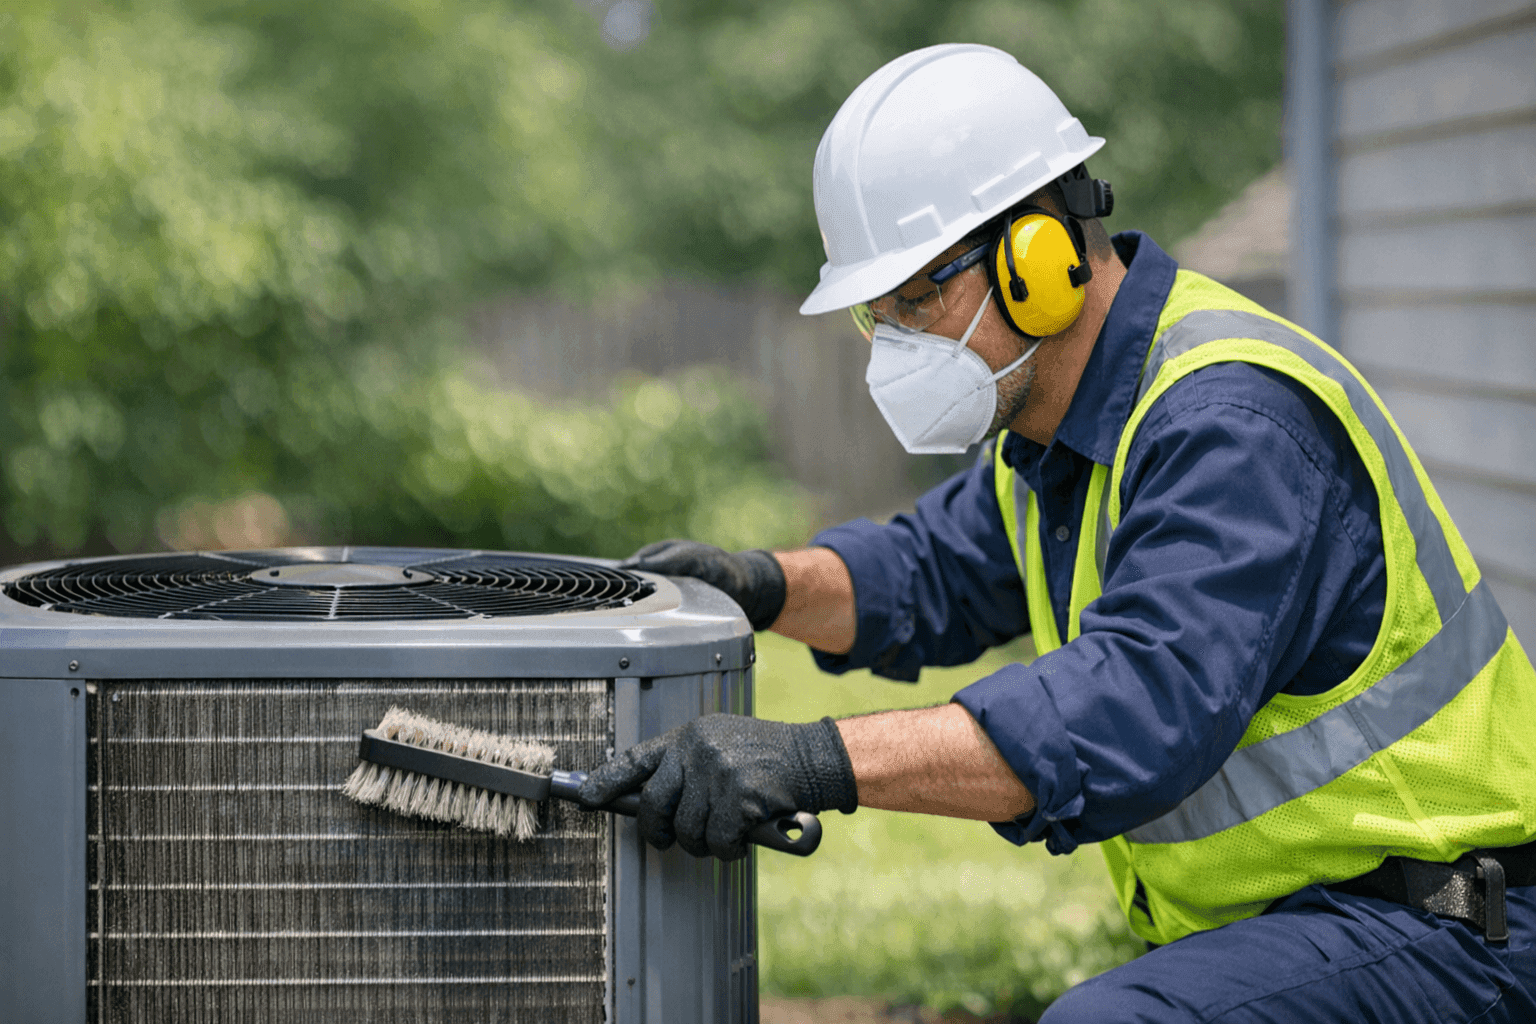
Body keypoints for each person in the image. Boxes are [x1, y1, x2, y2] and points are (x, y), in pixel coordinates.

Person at [578, 43, 1536, 1021]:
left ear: (1043, 256)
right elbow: (928, 572)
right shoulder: (1061, 440)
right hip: (1329, 929)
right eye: (880, 314)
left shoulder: (1232, 424)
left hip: (1459, 930)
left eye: (919, 298)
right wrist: (752, 582)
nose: (898, 343)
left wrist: (812, 760)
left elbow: (1132, 709)